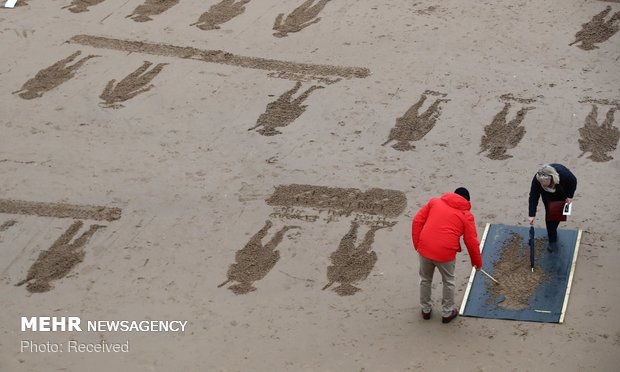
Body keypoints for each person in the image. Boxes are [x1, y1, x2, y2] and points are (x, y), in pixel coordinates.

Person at [412, 187, 483, 323]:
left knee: (425, 279)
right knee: (448, 281)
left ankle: (425, 310)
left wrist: (418, 245)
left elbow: (417, 221)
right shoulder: (466, 216)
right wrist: (477, 263)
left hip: (425, 248)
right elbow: (471, 242)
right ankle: (447, 312)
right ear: (467, 201)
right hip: (445, 253)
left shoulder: (434, 202)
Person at [528, 164, 577, 252]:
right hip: (547, 197)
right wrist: (532, 215)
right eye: (542, 184)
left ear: (551, 177)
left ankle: (553, 230)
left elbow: (573, 181)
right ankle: (552, 240)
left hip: (562, 193)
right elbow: (533, 196)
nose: (544, 185)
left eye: (545, 183)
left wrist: (570, 196)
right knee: (550, 217)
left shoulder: (564, 175)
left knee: (558, 215)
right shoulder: (537, 179)